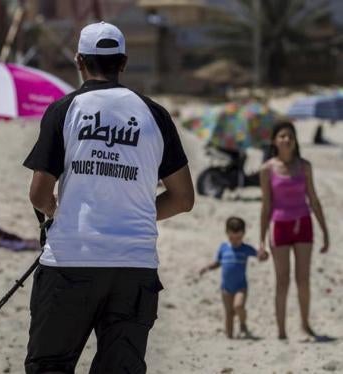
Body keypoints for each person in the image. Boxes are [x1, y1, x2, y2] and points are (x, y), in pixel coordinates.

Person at [23, 22, 194, 374]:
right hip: (134, 266)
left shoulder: (64, 110)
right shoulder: (155, 114)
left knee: (50, 365)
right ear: (124, 62)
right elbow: (183, 198)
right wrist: (134, 212)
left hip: (71, 261)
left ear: (79, 61)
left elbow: (39, 194)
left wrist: (61, 211)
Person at [259, 120, 329, 340]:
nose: (287, 139)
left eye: (290, 136)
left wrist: (325, 231)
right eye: (282, 136)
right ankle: (281, 330)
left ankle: (305, 324)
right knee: (282, 280)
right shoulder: (267, 169)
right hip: (279, 226)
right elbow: (266, 205)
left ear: (295, 140)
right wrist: (261, 241)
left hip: (304, 225)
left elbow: (314, 199)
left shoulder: (305, 166)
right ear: (274, 141)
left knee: (303, 279)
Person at [199, 217, 268, 339]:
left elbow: (260, 256)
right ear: (227, 233)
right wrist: (207, 268)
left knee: (238, 306)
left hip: (241, 287)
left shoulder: (246, 249)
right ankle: (229, 337)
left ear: (243, 234)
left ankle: (242, 323)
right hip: (226, 288)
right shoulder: (223, 248)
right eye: (232, 238)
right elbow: (217, 263)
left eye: (239, 238)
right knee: (229, 314)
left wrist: (264, 254)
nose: (235, 241)